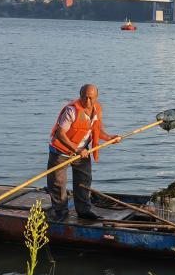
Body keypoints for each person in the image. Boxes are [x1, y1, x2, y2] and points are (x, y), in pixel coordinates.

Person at [47, 84, 120, 221]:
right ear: (80, 96)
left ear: (96, 98)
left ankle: (84, 211)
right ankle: (60, 212)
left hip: (82, 152)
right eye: (84, 97)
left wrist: (109, 138)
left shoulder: (97, 109)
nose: (87, 101)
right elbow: (60, 134)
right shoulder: (71, 111)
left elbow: (96, 130)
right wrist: (76, 149)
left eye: (91, 98)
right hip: (61, 151)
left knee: (84, 181)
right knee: (57, 183)